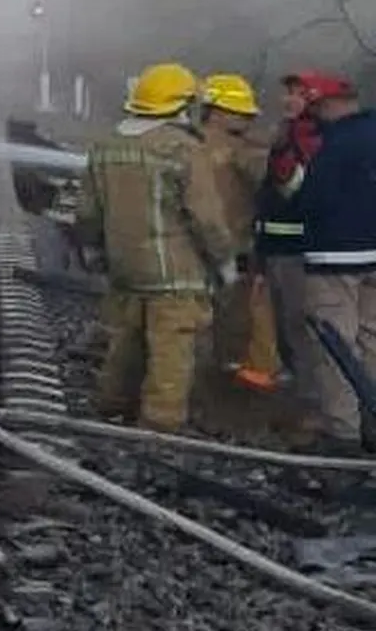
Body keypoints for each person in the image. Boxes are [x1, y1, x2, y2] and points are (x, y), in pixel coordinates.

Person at [76, 63, 237, 432]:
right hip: (176, 273)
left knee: (125, 341)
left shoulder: (107, 145)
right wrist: (224, 260)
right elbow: (206, 216)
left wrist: (94, 250)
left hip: (124, 267)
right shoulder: (181, 147)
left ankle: (111, 404)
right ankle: (159, 424)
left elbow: (87, 210)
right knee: (172, 349)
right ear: (181, 105)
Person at [293, 73, 376, 452]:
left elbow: (311, 200)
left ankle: (342, 433)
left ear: (329, 105)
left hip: (335, 258)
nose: (314, 116)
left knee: (335, 344)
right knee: (372, 339)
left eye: (315, 108)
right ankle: (372, 423)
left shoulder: (336, 145)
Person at [199, 74, 279, 408]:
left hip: (189, 248)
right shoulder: (246, 151)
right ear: (215, 110)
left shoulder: (185, 144)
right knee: (233, 320)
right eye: (238, 113)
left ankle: (199, 381)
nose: (244, 120)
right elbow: (276, 185)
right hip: (233, 249)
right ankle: (221, 386)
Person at [253, 73, 323, 434]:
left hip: (301, 253)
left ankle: (312, 408)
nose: (289, 99)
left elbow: (293, 194)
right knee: (285, 331)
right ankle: (300, 397)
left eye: (298, 94)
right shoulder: (284, 135)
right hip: (278, 250)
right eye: (287, 93)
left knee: (301, 331)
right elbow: (268, 199)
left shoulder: (312, 140)